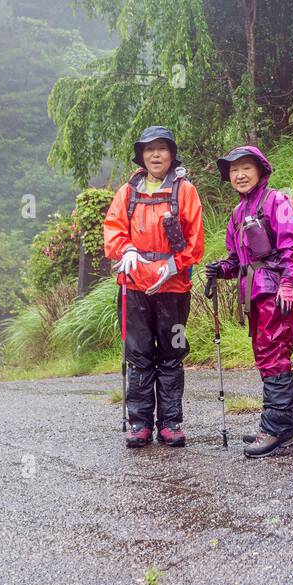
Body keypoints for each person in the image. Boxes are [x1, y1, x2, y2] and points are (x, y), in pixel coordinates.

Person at [103, 126, 205, 448]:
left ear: (172, 154)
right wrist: (126, 250)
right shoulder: (127, 193)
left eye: (162, 148)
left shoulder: (185, 191)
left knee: (172, 353)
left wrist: (175, 264)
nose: (156, 154)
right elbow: (113, 230)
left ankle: (171, 423)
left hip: (174, 289)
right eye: (149, 149)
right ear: (142, 156)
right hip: (134, 288)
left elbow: (195, 241)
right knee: (139, 355)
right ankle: (140, 423)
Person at [204, 146, 293, 459]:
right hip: (254, 294)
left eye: (246, 168)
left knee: (274, 354)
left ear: (260, 170)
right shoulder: (237, 213)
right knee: (265, 355)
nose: (240, 175)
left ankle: (276, 429)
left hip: (275, 292)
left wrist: (287, 284)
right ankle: (279, 425)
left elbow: (290, 248)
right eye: (234, 170)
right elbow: (237, 261)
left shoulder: (277, 201)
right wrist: (220, 269)